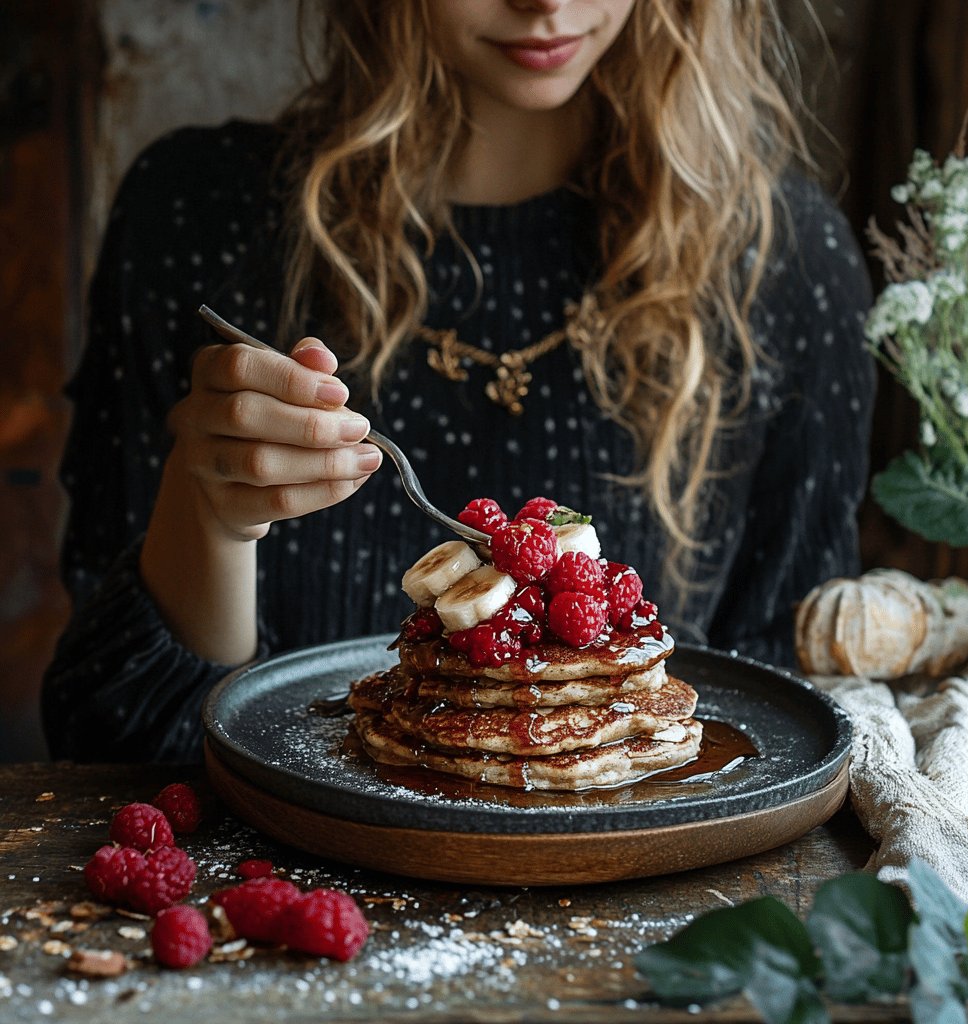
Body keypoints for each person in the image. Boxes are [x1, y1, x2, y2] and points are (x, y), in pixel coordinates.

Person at [42, 0, 876, 762]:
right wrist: (211, 519)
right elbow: (115, 751)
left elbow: (780, 749)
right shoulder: (198, 221)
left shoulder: (783, 265)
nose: (546, 3)